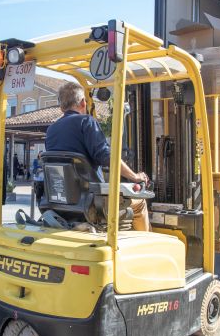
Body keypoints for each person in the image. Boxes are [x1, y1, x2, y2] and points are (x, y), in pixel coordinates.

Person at [45, 82, 151, 231]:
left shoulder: (51, 130)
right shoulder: (86, 122)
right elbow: (107, 157)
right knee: (140, 202)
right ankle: (145, 248)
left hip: (63, 202)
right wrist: (134, 176)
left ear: (61, 106)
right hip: (93, 202)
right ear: (83, 102)